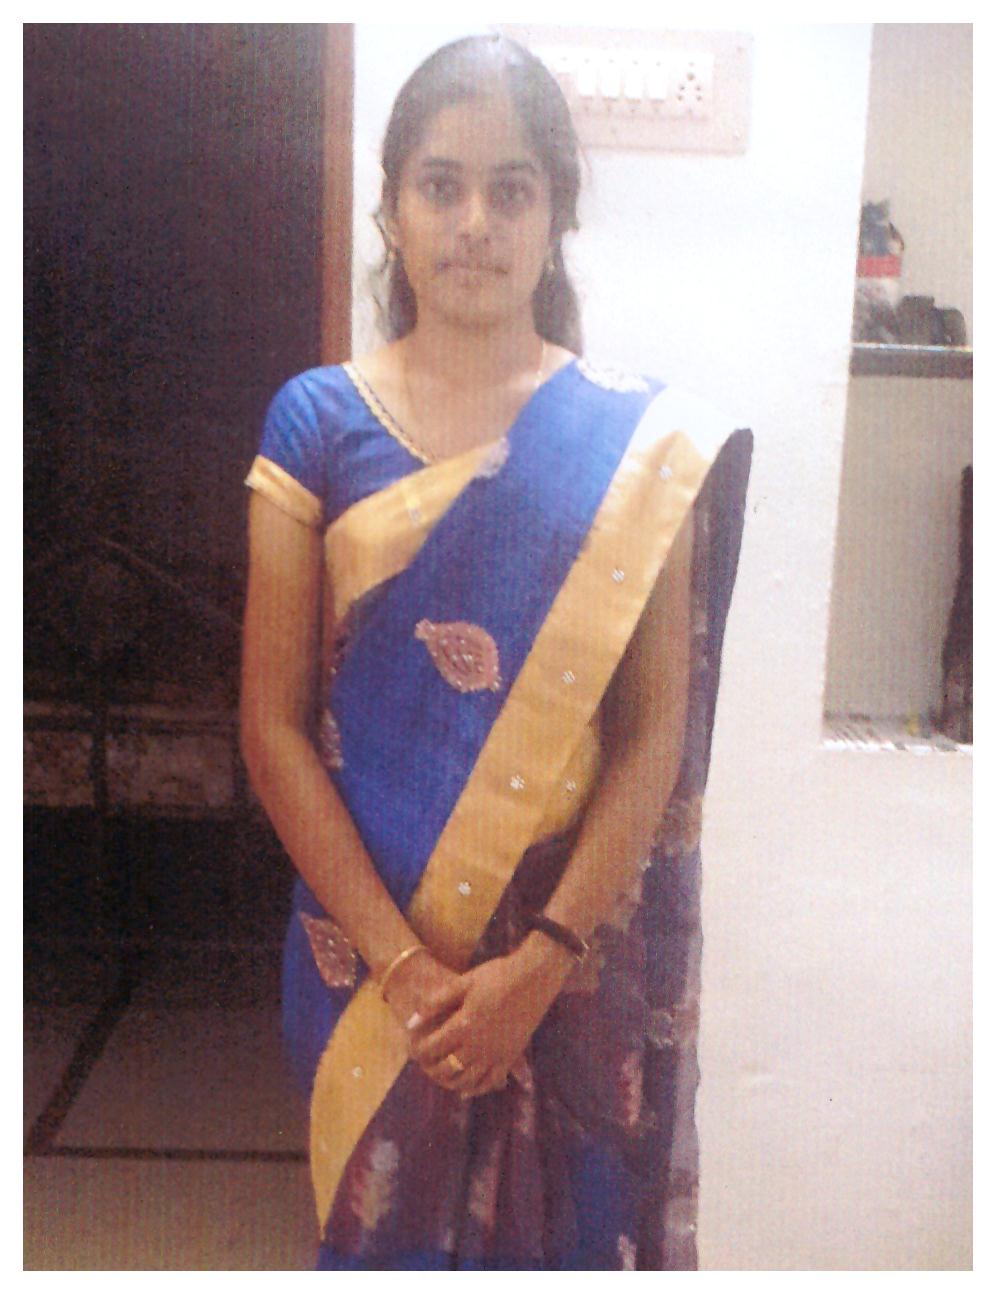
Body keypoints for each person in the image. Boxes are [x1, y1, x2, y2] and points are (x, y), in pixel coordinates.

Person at [241, 33, 752, 1270]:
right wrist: (407, 969)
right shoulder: (317, 422)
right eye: (442, 184)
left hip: (561, 967)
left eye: (511, 189)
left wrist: (541, 963)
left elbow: (650, 733)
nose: (474, 222)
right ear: (392, 208)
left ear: (555, 216)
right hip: (368, 962)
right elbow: (271, 727)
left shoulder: (637, 447)